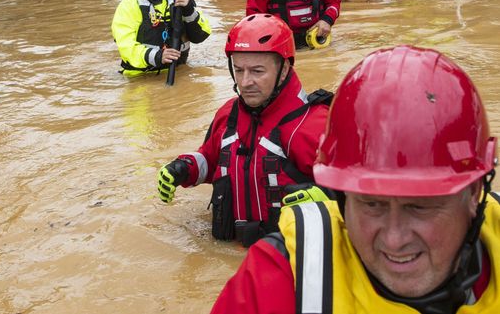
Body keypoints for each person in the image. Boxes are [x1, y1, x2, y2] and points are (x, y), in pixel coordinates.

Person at [211, 45, 500, 314]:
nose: (394, 239)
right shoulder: (281, 275)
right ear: (342, 197)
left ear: (474, 193)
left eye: (420, 207)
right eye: (371, 204)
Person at [156, 14, 331, 247]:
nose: (245, 82)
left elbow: (361, 200)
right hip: (228, 251)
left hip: (284, 260)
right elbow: (211, 159)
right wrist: (185, 168)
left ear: (285, 68)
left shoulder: (314, 125)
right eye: (239, 70)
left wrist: (331, 198)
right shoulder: (228, 114)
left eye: (257, 71)